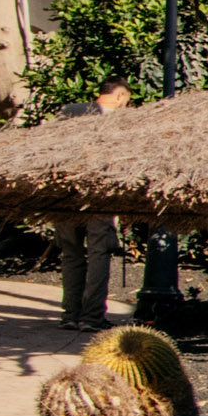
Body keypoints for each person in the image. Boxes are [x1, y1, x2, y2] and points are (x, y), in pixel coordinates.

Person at [58, 87, 131, 327]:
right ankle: (91, 316)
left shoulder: (68, 111)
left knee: (71, 253)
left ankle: (69, 314)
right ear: (120, 95)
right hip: (99, 195)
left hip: (65, 194)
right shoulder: (117, 122)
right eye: (126, 101)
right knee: (99, 252)